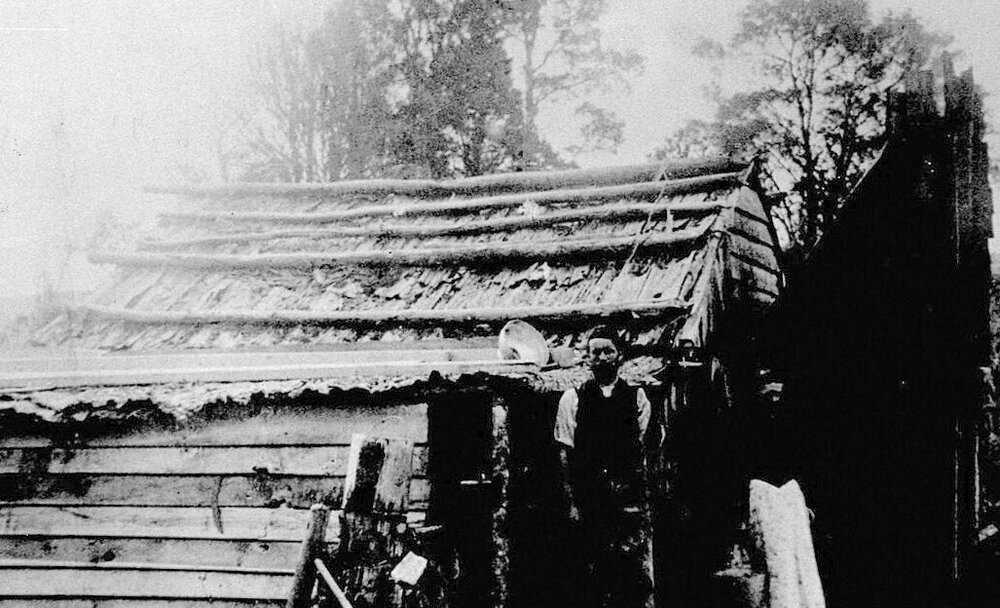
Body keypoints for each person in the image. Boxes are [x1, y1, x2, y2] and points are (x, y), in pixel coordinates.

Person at [554, 325, 654, 608]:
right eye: (595, 352)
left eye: (607, 351)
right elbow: (565, 453)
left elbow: (642, 448)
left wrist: (640, 497)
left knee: (629, 572)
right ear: (588, 358)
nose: (601, 358)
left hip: (626, 500)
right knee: (592, 572)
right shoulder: (572, 398)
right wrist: (572, 503)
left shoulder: (637, 397)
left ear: (619, 355)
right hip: (590, 499)